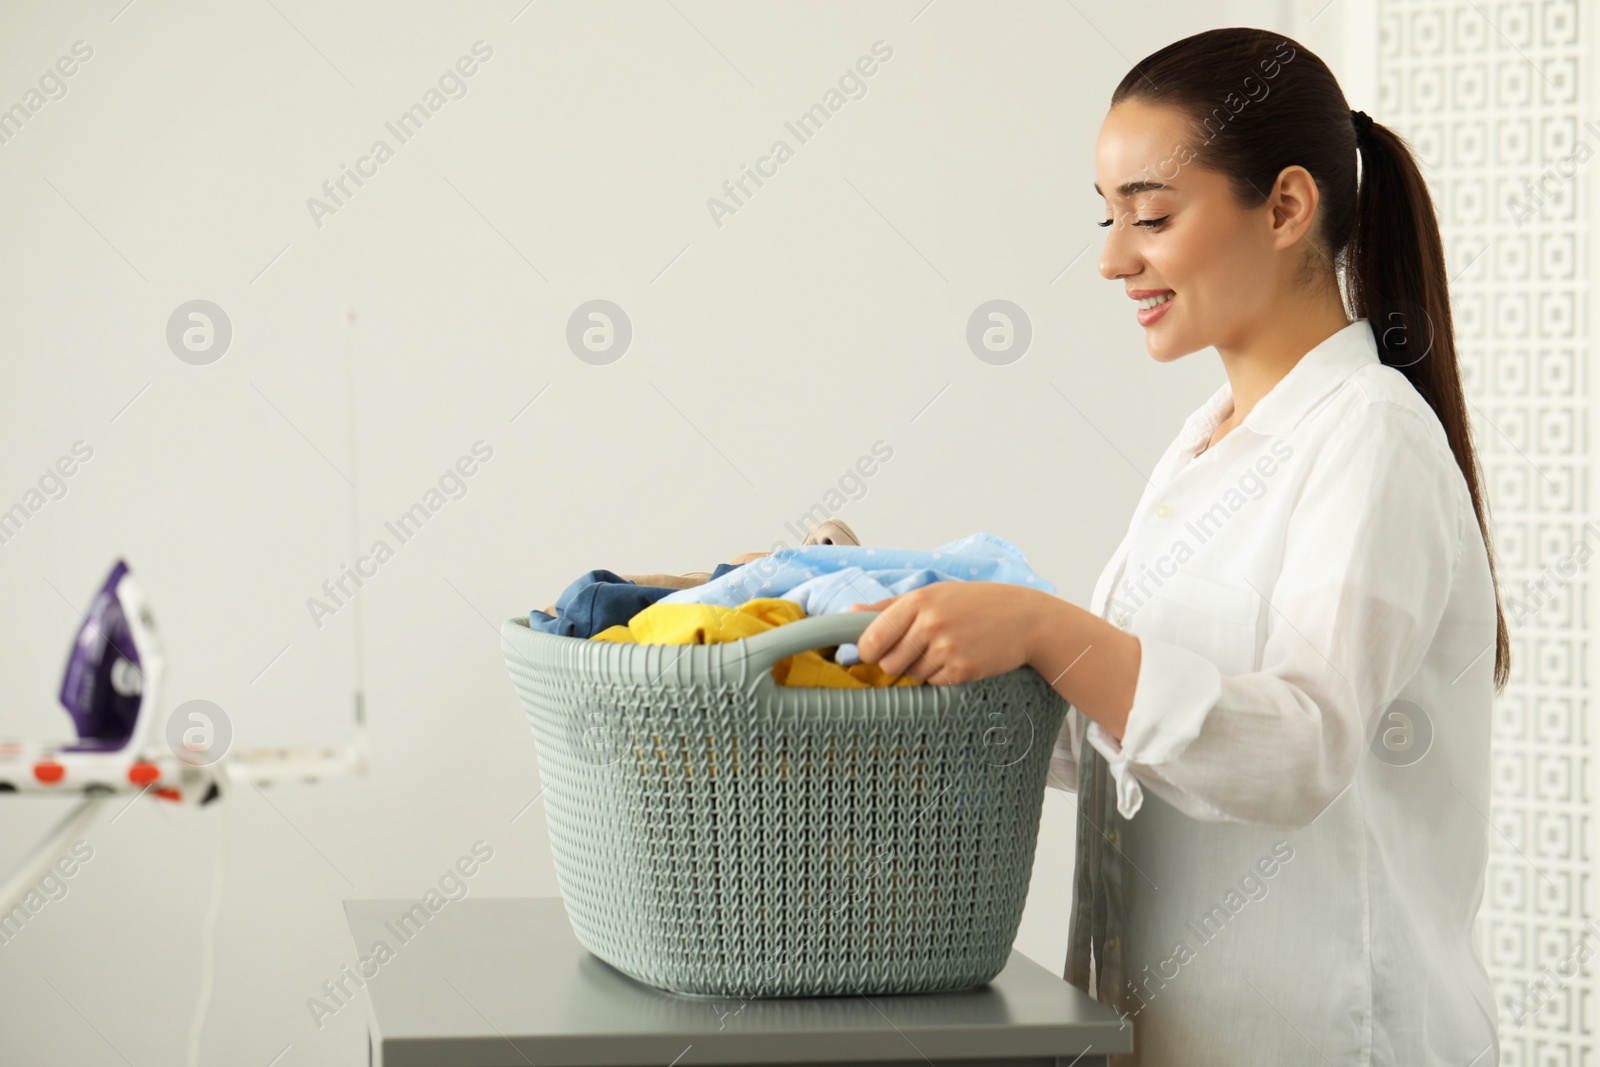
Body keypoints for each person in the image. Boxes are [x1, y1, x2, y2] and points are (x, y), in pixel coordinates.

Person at [841, 27, 1510, 1067]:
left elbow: (1297, 746)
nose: (1112, 258)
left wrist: (1045, 628)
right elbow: (1131, 735)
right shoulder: (1205, 441)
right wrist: (894, 623)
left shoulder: (1368, 435)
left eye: (1149, 216)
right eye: (1108, 218)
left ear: (1286, 207)